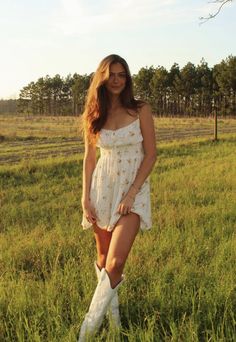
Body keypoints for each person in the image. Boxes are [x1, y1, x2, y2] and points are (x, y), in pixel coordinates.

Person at [79, 54, 157, 341]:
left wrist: (132, 192)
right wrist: (85, 198)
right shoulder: (93, 113)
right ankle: (114, 326)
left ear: (127, 79)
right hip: (102, 189)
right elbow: (89, 159)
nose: (116, 80)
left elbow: (151, 155)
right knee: (102, 259)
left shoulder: (140, 109)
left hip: (132, 191)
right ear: (102, 77)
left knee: (116, 263)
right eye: (111, 74)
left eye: (121, 75)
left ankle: (85, 332)